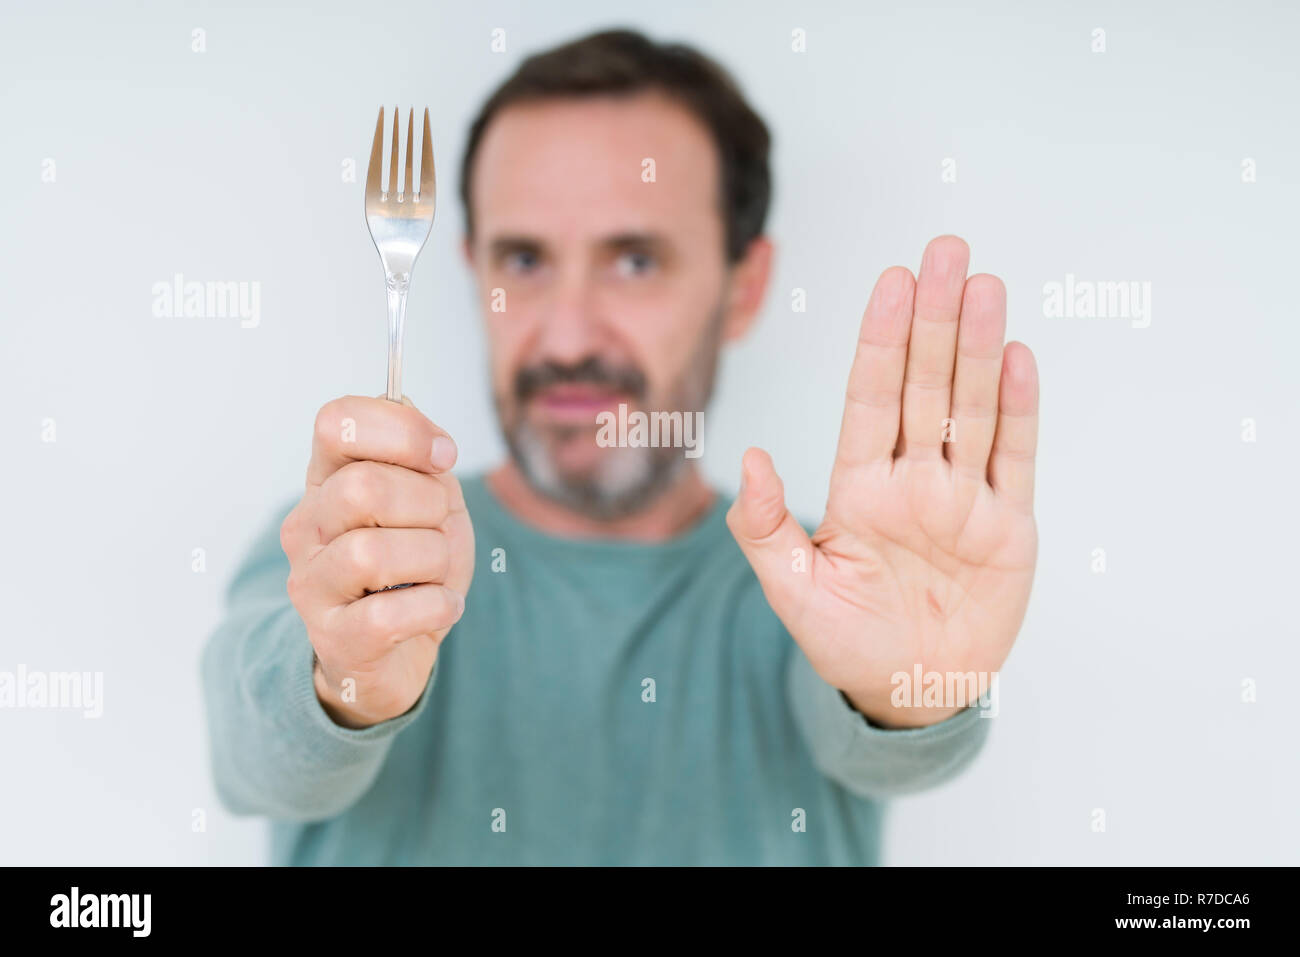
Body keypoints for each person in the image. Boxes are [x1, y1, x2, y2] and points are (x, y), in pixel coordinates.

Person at [201, 28, 1039, 865]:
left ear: (742, 286)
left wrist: (907, 697)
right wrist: (350, 677)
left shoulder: (830, 586)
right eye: (523, 258)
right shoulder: (344, 553)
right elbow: (256, 756)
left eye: (634, 260)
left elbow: (868, 734)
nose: (566, 336)